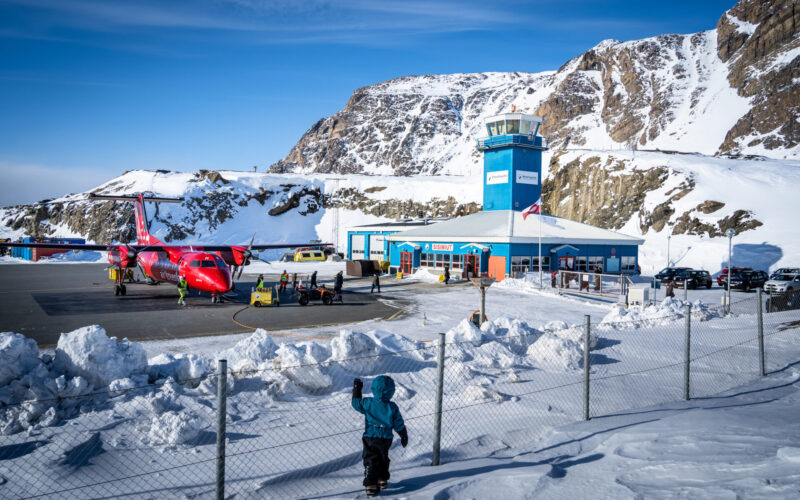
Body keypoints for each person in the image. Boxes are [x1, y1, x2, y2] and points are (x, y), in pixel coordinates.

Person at [351, 376, 408, 497]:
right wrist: (403, 434)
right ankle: (382, 479)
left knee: (371, 459)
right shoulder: (392, 407)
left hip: (371, 437)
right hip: (386, 438)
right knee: (383, 457)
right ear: (391, 391)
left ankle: (371, 484)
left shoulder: (369, 403)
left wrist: (357, 390)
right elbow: (398, 422)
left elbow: (356, 404)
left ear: (374, 389)